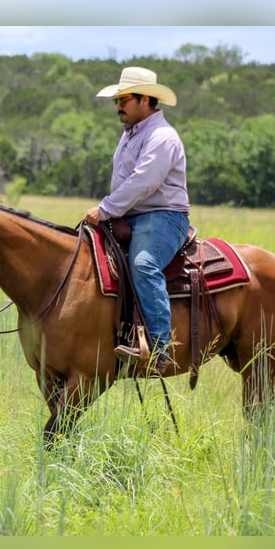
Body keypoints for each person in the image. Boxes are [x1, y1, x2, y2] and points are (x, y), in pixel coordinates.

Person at [83, 66, 190, 373]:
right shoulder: (130, 134)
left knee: (143, 264)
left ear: (145, 99)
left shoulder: (162, 136)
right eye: (117, 100)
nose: (118, 106)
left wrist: (105, 209)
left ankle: (160, 347)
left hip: (164, 217)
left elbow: (144, 181)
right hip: (130, 217)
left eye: (124, 99)